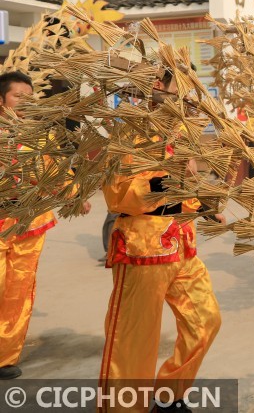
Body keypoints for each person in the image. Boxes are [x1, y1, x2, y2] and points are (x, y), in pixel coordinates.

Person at [99, 67, 223, 412]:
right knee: (134, 339)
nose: (189, 97)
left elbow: (188, 184)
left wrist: (203, 205)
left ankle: (169, 394)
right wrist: (165, 183)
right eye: (182, 88)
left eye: (194, 91)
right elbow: (117, 195)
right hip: (142, 246)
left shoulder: (181, 133)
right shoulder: (129, 129)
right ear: (158, 86)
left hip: (181, 244)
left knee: (206, 320)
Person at [0, 71, 90, 380]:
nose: (25, 103)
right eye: (17, 97)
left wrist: (73, 195)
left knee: (18, 289)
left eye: (29, 97)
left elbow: (55, 171)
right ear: (1, 101)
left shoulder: (40, 136)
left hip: (29, 223)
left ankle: (5, 357)